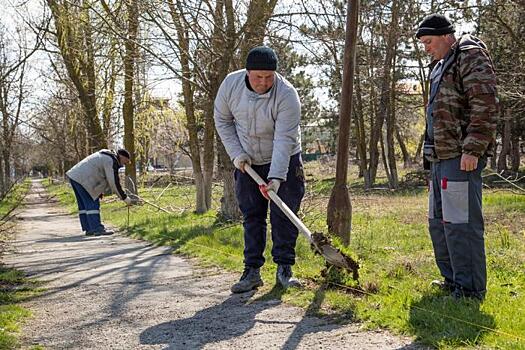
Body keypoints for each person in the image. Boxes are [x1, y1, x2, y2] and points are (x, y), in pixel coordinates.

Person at [416, 14, 499, 300]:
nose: (426, 48)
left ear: (446, 36)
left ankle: (470, 289)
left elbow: (484, 103)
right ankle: (452, 281)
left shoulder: (470, 55)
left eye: (429, 42)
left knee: (461, 224)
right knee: (438, 223)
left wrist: (473, 148)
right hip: (439, 157)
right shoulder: (439, 64)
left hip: (460, 156)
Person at [214, 46, 305, 293]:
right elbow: (222, 120)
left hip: (285, 159)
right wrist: (237, 154)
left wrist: (276, 177)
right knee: (252, 215)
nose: (263, 82)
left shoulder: (287, 95)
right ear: (247, 72)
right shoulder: (230, 86)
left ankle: (284, 269)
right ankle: (252, 271)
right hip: (248, 162)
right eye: (258, 77)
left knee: (284, 215)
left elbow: (284, 140)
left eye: (269, 77)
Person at [66, 148, 137, 236]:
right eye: (125, 162)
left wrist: (99, 191)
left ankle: (89, 228)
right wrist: (124, 197)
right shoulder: (110, 160)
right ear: (121, 156)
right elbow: (113, 182)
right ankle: (96, 228)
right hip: (83, 179)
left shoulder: (105, 155)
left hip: (75, 176)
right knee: (92, 203)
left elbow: (98, 173)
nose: (124, 165)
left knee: (84, 205)